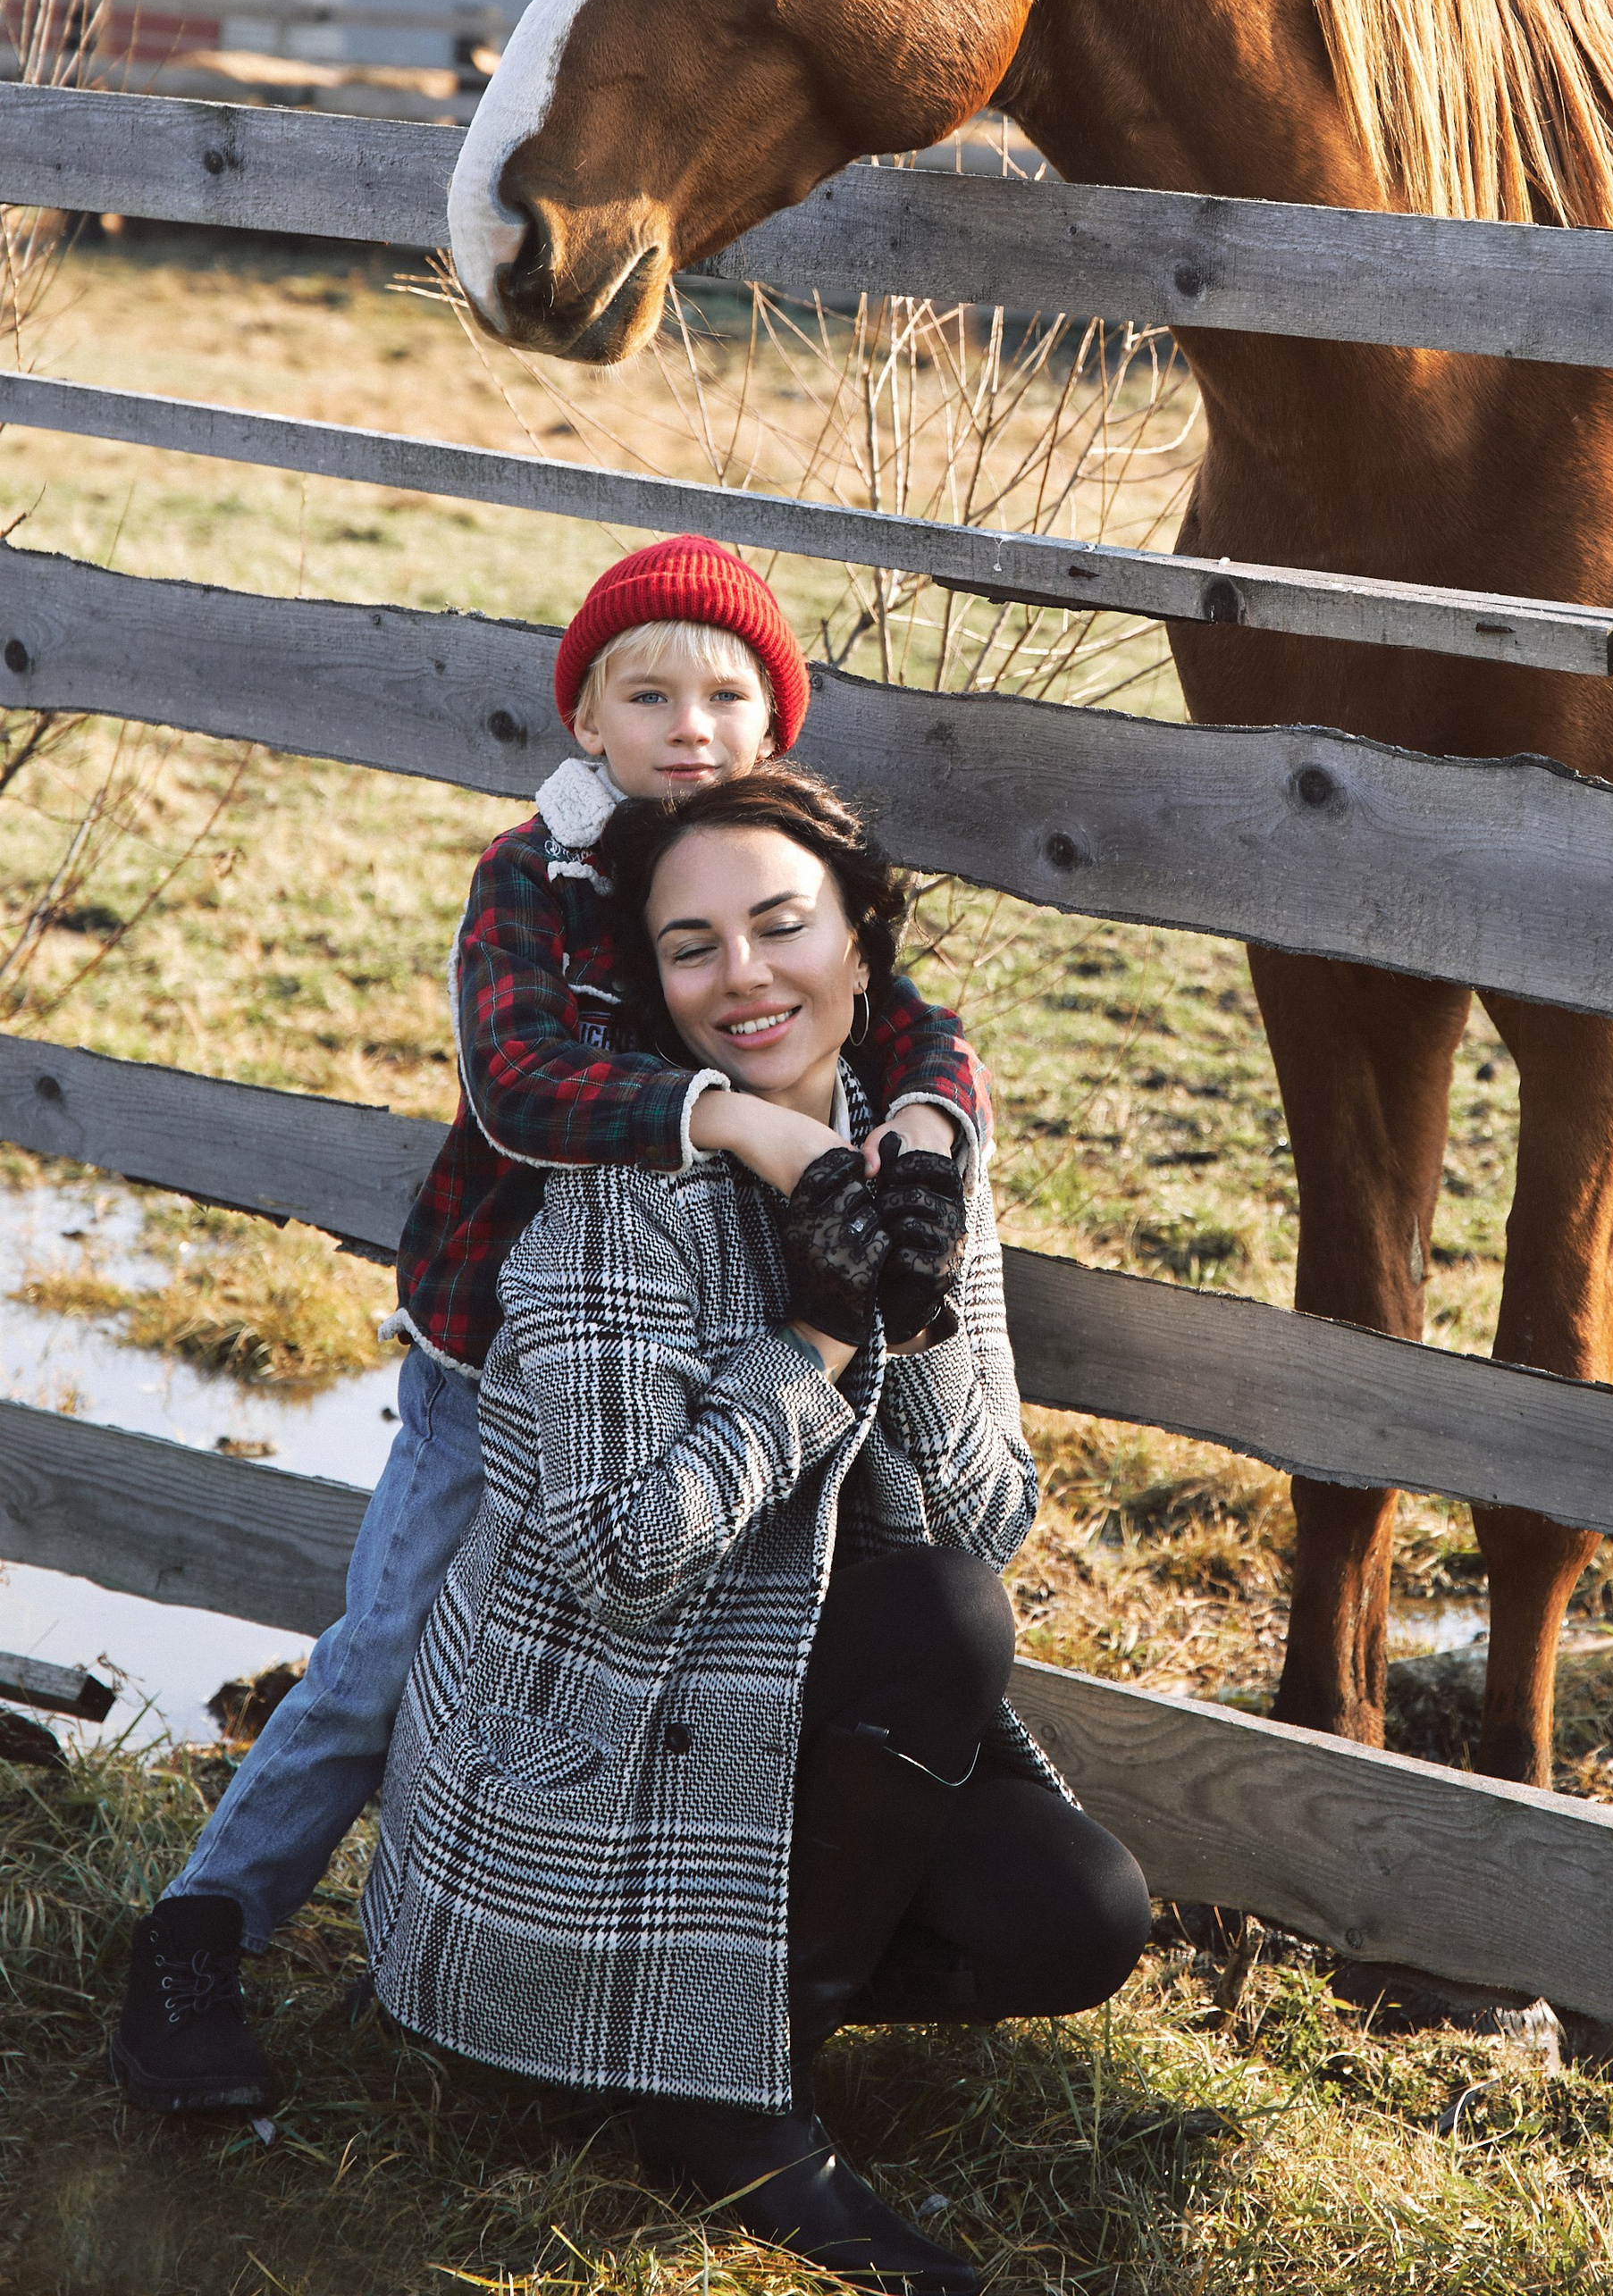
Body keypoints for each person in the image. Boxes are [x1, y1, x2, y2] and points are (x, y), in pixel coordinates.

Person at [112, 538, 987, 2115]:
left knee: (697, 1645)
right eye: (646, 692)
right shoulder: (538, 875)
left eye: (727, 693)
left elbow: (911, 1011)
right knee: (395, 1645)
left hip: (684, 1341)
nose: (689, 724)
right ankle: (203, 1932)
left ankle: (638, 1977)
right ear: (586, 718)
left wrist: (925, 1120)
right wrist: (740, 1124)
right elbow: (519, 1083)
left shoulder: (767, 856)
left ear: (774, 721)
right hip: (494, 1352)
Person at [361, 766, 1150, 2292]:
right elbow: (615, 1556)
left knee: (1078, 1916)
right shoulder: (616, 1192)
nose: (746, 978)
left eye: (782, 927)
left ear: (863, 946)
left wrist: (911, 1328)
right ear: (653, 984)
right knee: (939, 1620)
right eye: (691, 947)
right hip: (601, 1756)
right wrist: (814, 1342)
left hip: (820, 1719)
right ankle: (739, 2122)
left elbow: (992, 1514)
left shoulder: (922, 1159)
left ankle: (697, 2046)